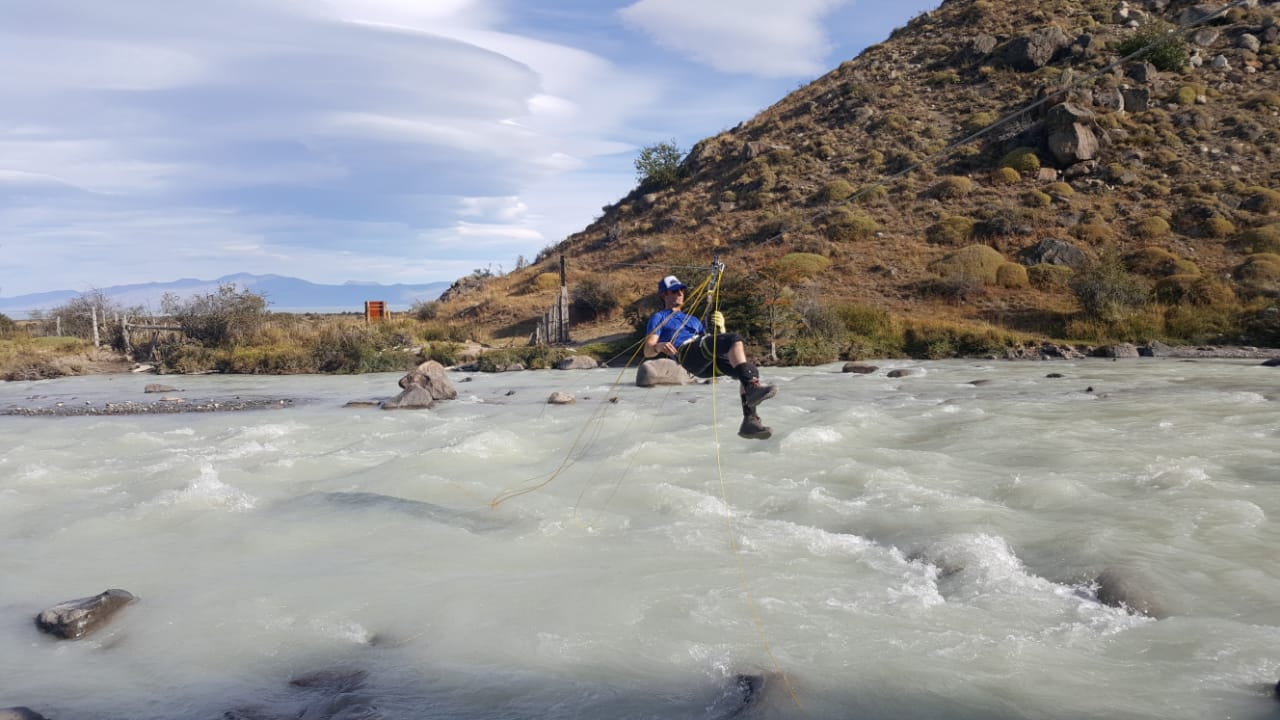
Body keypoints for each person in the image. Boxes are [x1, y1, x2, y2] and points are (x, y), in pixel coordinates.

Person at [643, 274, 777, 439]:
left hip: (704, 361)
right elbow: (647, 350)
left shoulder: (693, 320)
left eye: (681, 290)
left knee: (748, 370)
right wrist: (658, 346)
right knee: (734, 339)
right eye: (674, 291)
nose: (679, 293)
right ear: (664, 295)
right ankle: (752, 389)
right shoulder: (659, 317)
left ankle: (749, 421)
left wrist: (721, 328)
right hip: (687, 354)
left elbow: (713, 342)